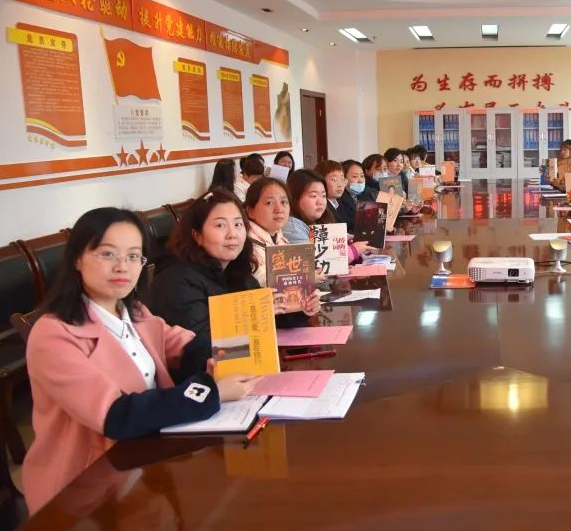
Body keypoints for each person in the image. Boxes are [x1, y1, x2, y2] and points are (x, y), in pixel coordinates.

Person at [23, 207, 258, 512]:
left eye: (134, 256)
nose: (123, 266)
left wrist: (231, 358)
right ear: (77, 259)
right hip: (86, 489)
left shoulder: (134, 313)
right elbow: (116, 415)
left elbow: (184, 344)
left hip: (145, 465)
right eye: (108, 254)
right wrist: (211, 391)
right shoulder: (53, 335)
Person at [149, 190, 319, 341]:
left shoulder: (236, 270)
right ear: (197, 235)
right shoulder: (178, 281)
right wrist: (254, 319)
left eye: (238, 224)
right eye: (220, 225)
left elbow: (271, 312)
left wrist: (300, 307)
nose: (232, 234)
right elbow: (198, 348)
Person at [283, 169, 373, 262]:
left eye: (323, 196)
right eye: (313, 196)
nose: (321, 202)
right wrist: (353, 251)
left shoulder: (319, 219)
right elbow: (308, 263)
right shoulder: (292, 226)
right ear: (294, 198)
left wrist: (351, 241)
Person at [315, 160, 357, 232]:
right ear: (320, 181)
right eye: (334, 180)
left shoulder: (341, 201)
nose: (340, 185)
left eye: (342, 179)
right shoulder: (319, 206)